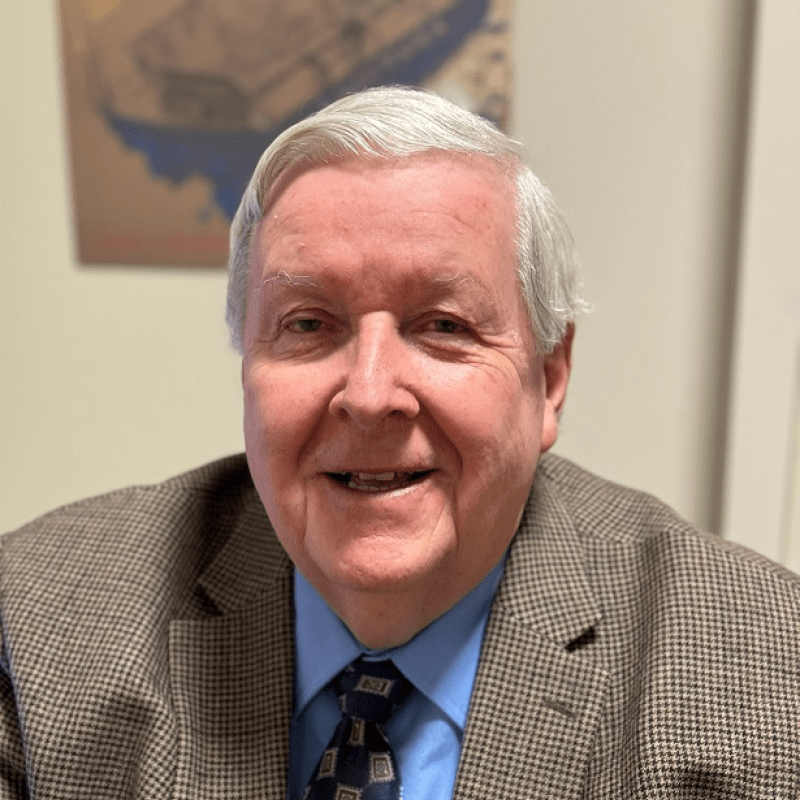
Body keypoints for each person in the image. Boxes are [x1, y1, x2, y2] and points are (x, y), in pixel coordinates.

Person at [1, 87, 797, 799]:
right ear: (248, 364)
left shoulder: (759, 673)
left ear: (549, 378)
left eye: (443, 326)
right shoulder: (37, 621)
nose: (371, 394)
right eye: (308, 324)